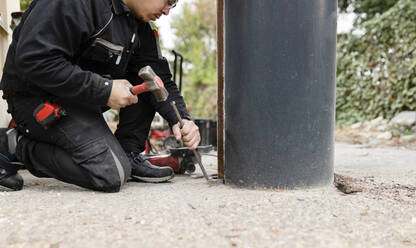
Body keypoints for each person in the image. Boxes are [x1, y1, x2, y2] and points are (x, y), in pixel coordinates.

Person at [0, 0, 200, 192]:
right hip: (35, 97)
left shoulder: (140, 26)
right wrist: (104, 89)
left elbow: (158, 78)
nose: (167, 10)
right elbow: (35, 60)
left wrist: (180, 117)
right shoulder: (76, 4)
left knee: (144, 77)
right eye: (169, 1)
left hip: (77, 97)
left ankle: (127, 152)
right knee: (109, 173)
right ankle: (13, 144)